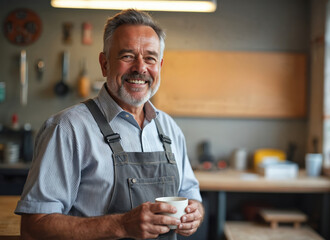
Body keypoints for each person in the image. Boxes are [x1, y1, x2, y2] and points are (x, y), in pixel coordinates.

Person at [15, 9, 204, 240]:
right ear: (104, 64)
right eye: (127, 56)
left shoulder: (169, 128)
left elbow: (190, 194)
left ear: (160, 66)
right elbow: (34, 227)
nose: (140, 68)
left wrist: (196, 213)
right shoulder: (67, 129)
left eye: (150, 58)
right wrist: (122, 225)